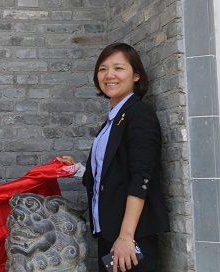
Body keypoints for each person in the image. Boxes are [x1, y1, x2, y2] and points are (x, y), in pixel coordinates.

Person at [58, 43, 169, 272]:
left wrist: (126, 237)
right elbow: (110, 172)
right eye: (103, 69)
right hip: (110, 232)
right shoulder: (112, 121)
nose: (109, 75)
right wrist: (79, 169)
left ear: (136, 75)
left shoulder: (139, 114)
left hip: (130, 236)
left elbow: (141, 176)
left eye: (118, 68)